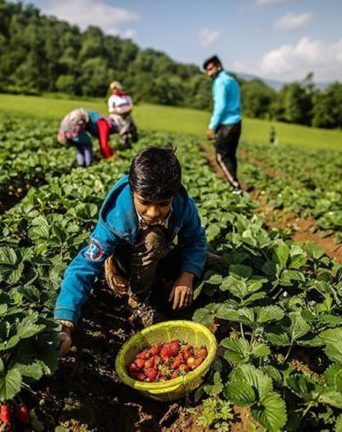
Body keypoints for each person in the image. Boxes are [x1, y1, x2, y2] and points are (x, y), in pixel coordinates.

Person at [55, 147, 207, 356]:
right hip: (128, 263)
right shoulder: (116, 215)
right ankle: (138, 301)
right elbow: (83, 267)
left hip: (160, 253)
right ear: (132, 190)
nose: (153, 212)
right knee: (152, 239)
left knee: (213, 263)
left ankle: (161, 285)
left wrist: (186, 276)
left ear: (174, 193)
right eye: (144, 202)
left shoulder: (182, 204)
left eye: (163, 204)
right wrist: (65, 322)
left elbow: (196, 239)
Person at [203, 55, 243, 194]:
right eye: (207, 71)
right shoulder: (232, 80)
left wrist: (212, 126)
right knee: (230, 155)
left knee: (221, 156)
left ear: (218, 66)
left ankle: (236, 187)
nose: (209, 73)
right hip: (237, 122)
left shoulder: (220, 82)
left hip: (227, 124)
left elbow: (220, 106)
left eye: (211, 69)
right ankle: (234, 184)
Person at [107, 81, 138, 149]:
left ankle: (134, 144)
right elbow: (111, 109)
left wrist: (127, 110)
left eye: (116, 88)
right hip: (119, 117)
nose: (115, 90)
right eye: (113, 89)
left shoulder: (126, 96)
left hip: (128, 116)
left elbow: (131, 105)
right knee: (123, 133)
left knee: (133, 129)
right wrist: (119, 112)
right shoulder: (112, 98)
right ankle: (124, 146)